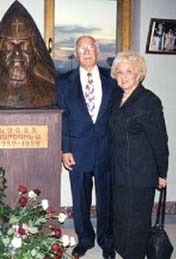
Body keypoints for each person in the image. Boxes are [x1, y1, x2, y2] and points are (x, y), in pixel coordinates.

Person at [56, 35, 116, 259]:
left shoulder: (112, 80)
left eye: (91, 47)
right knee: (80, 200)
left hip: (106, 150)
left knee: (106, 199)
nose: (87, 51)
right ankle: (85, 239)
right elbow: (62, 118)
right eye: (82, 48)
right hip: (77, 151)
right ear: (76, 52)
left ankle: (107, 241)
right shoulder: (63, 82)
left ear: (97, 50)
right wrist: (65, 149)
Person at [109, 51, 169, 259]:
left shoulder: (149, 101)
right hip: (118, 172)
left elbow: (160, 140)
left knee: (136, 223)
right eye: (119, 71)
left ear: (139, 74)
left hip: (139, 174)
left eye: (129, 71)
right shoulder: (117, 97)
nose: (123, 76)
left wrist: (162, 172)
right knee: (122, 219)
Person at [0, 1, 56, 108]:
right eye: (9, 46)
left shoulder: (52, 91)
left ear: (36, 52)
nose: (17, 53)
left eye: (24, 45)